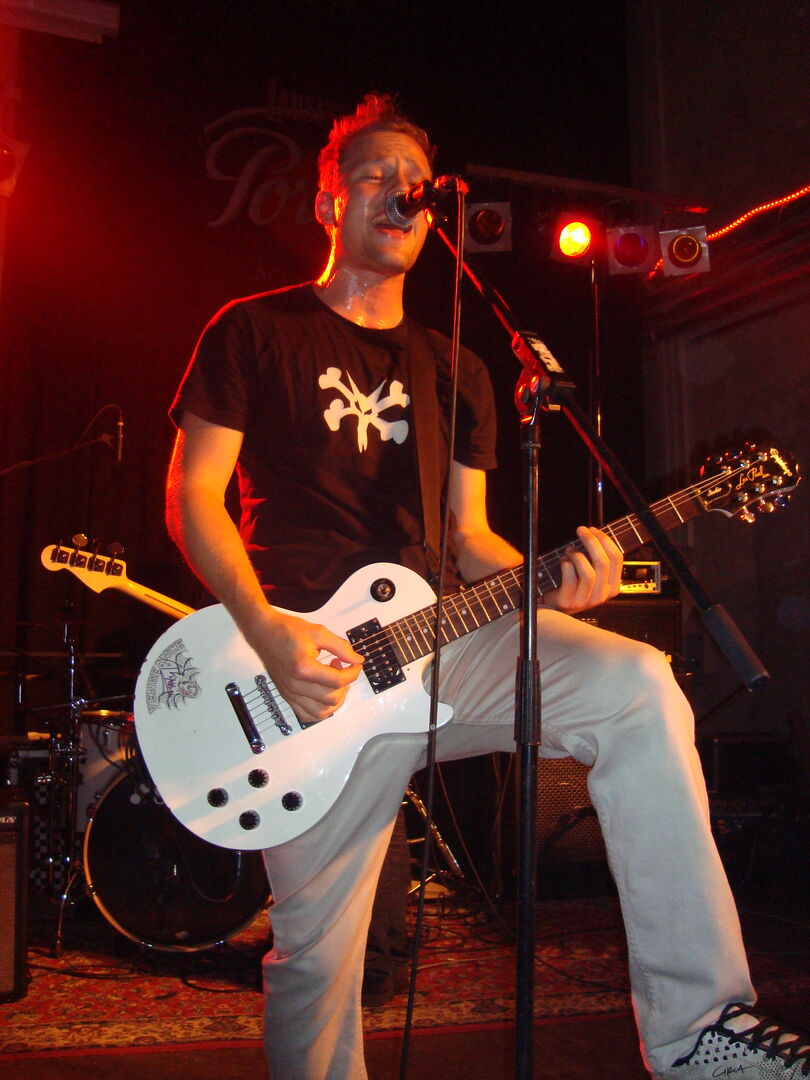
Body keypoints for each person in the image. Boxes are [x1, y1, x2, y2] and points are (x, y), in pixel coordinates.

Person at [164, 94, 809, 1080]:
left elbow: (468, 541)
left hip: (438, 647)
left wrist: (553, 586)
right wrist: (264, 630)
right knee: (319, 959)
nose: (401, 193)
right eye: (375, 176)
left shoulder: (457, 366)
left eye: (415, 183)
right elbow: (191, 498)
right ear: (328, 203)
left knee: (640, 685)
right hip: (302, 673)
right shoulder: (253, 330)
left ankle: (697, 1029)